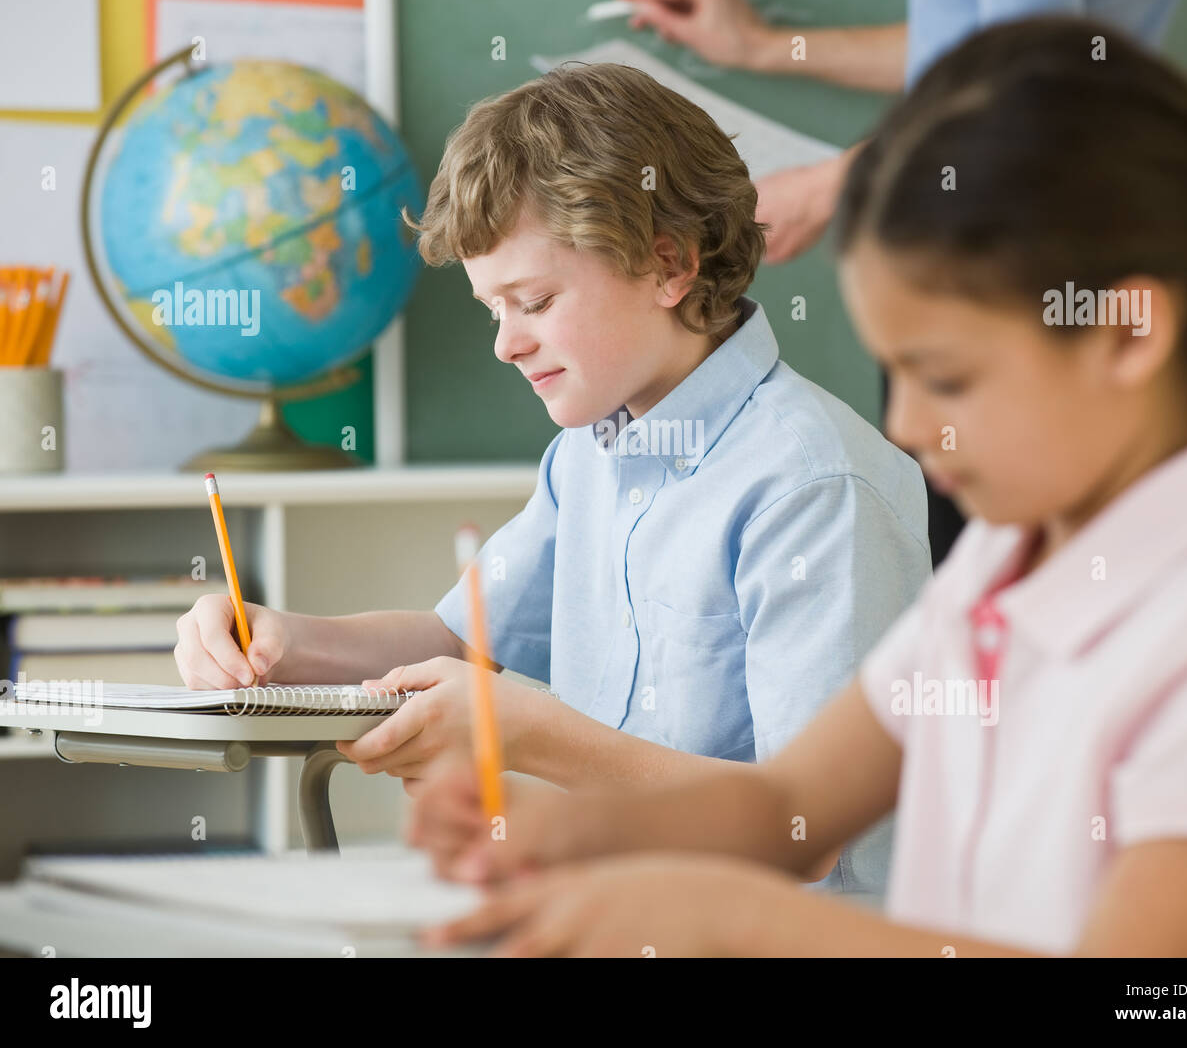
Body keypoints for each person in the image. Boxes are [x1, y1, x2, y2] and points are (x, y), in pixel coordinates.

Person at [409, 17, 1187, 957]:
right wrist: (565, 833)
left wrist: (732, 918)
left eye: (947, 378)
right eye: (893, 372)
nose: (910, 426)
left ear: (1125, 333)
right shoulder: (1007, 555)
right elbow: (790, 804)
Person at [174, 61, 930, 892]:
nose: (505, 344)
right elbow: (462, 641)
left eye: (532, 302)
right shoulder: (591, 452)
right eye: (491, 310)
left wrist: (530, 735)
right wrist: (285, 641)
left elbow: (804, 829)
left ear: (668, 265)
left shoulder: (811, 485)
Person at [619, 0, 1187, 565]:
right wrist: (764, 46)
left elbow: (1027, 85)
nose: (902, 427)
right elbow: (969, 46)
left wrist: (832, 184)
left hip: (999, 246)